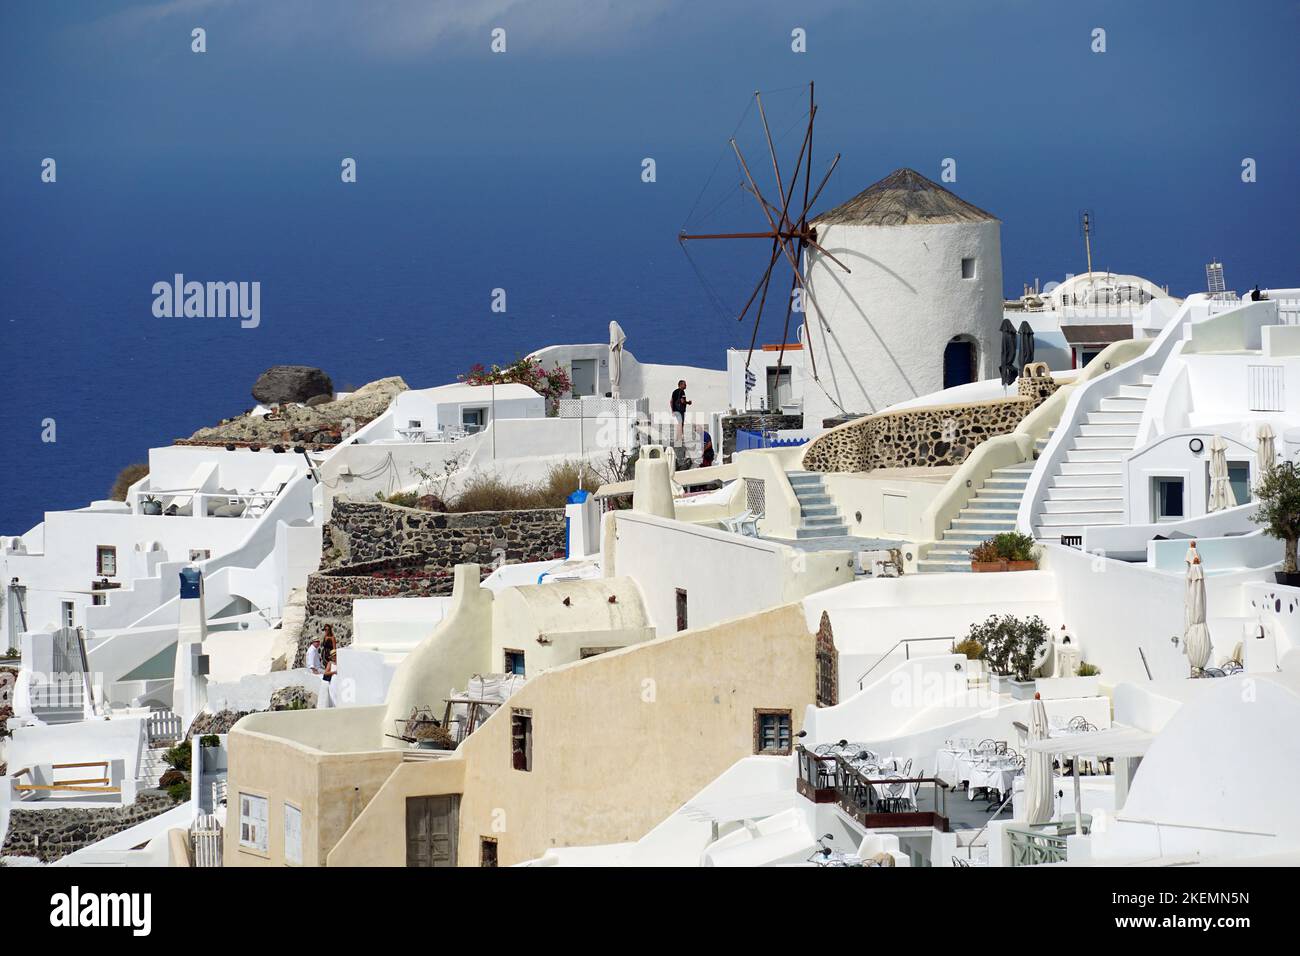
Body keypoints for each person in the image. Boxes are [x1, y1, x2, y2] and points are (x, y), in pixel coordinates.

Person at [316, 627, 337, 709]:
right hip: (326, 654)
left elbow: (334, 647)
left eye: (327, 629)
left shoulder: (332, 638)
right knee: (327, 667)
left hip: (330, 653)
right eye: (324, 629)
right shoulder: (324, 637)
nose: (325, 630)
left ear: (330, 630)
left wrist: (334, 654)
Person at [670, 379, 691, 444]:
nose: (686, 385)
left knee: (680, 423)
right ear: (681, 385)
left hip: (676, 410)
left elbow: (671, 401)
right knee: (681, 424)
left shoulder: (674, 392)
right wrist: (688, 402)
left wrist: (672, 410)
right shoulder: (682, 392)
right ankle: (680, 439)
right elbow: (682, 401)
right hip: (680, 410)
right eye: (684, 384)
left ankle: (678, 438)